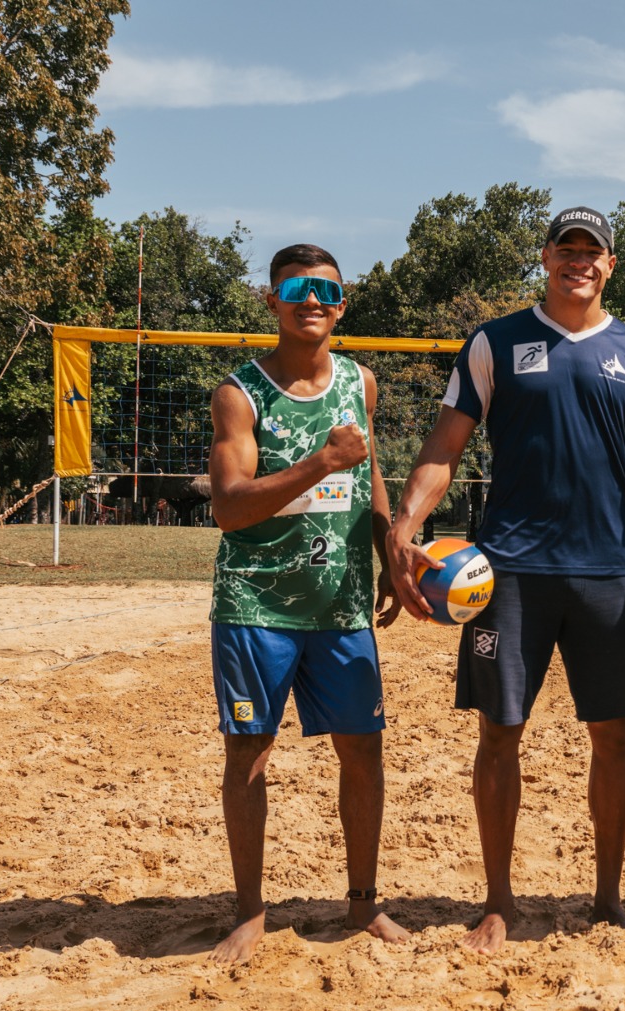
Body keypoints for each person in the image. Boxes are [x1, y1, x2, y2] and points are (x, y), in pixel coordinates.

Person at [386, 206, 625, 951]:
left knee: (612, 737)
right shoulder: (496, 341)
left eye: (593, 251)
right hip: (508, 573)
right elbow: (446, 444)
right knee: (499, 735)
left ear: (610, 265)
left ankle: (608, 897)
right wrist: (405, 524)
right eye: (566, 248)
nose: (579, 260)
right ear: (545, 257)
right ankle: (498, 900)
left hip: (608, 571)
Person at [207, 244, 407, 965]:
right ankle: (251, 911)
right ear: (272, 301)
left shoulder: (361, 383)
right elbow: (230, 508)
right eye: (297, 288)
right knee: (249, 758)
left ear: (343, 304)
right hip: (256, 605)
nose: (312, 299)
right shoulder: (240, 393)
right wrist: (321, 462)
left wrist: (389, 553)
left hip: (340, 606)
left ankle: (362, 904)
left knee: (364, 753)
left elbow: (372, 473)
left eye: (326, 289)